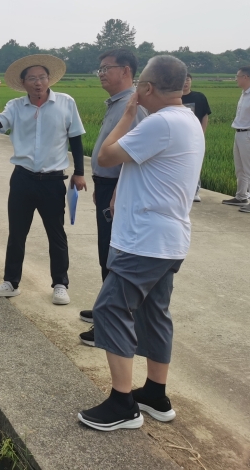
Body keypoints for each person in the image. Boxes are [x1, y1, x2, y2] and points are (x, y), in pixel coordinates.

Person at [78, 55, 204, 431]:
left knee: (110, 309)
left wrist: (128, 114)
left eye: (138, 86)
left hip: (144, 241)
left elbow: (105, 156)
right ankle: (154, 394)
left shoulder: (160, 122)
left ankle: (122, 405)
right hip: (168, 239)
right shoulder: (187, 120)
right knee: (154, 313)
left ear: (146, 88)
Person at [0, 54, 86, 305]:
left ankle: (60, 284)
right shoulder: (16, 106)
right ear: (23, 83)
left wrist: (80, 172)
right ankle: (11, 282)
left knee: (56, 234)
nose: (38, 82)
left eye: (42, 77)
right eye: (32, 78)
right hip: (23, 179)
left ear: (49, 79)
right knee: (17, 233)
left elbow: (75, 138)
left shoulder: (66, 102)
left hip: (52, 181)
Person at [79, 49, 146, 347]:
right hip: (108, 186)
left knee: (115, 258)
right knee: (105, 253)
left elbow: (136, 156)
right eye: (101, 69)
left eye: (107, 68)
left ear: (126, 71)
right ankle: (105, 309)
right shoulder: (118, 103)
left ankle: (109, 324)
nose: (102, 74)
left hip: (120, 191)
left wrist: (118, 188)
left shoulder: (133, 106)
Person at [221, 66, 250, 213]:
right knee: (240, 168)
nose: (236, 79)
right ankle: (241, 196)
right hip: (240, 133)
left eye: (238, 76)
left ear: (245, 77)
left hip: (249, 134)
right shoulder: (245, 93)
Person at [181, 73, 212, 202]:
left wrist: (201, 133)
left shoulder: (199, 97)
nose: (185, 82)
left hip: (194, 137)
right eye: (183, 80)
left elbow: (205, 116)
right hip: (179, 136)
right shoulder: (174, 98)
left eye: (188, 80)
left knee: (194, 163)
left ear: (191, 81)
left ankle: (194, 191)